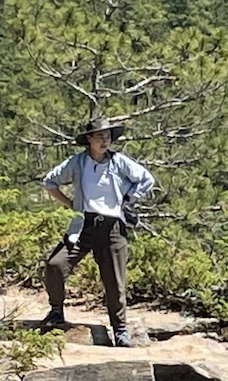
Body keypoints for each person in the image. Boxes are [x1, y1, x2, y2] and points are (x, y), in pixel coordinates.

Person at [40, 116, 155, 348]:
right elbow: (50, 182)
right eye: (100, 137)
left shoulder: (118, 162)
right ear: (89, 139)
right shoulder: (78, 162)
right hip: (84, 224)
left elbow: (146, 180)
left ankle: (120, 329)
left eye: (108, 137)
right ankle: (55, 311)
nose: (105, 141)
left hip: (112, 227)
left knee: (115, 281)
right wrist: (71, 204)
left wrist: (129, 198)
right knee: (55, 265)